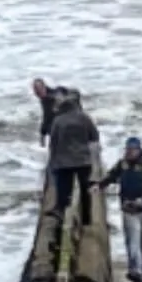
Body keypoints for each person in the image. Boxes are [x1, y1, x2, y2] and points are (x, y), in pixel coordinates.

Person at [101, 136, 142, 282]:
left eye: (132, 150)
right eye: (127, 150)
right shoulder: (122, 165)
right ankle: (134, 270)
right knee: (131, 241)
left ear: (139, 150)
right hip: (129, 209)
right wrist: (99, 185)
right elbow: (111, 176)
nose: (129, 153)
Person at [41, 87, 99, 218]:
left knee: (64, 189)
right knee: (85, 189)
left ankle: (60, 210)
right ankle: (86, 217)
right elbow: (94, 136)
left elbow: (53, 143)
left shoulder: (58, 120)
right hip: (83, 160)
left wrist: (53, 162)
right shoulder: (84, 118)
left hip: (64, 162)